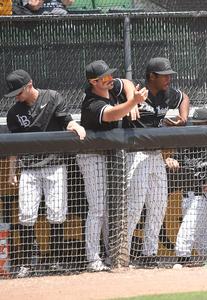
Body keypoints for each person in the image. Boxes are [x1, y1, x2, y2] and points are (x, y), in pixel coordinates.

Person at [5, 69, 85, 278]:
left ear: (29, 85)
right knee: (26, 215)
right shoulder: (14, 112)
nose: (17, 97)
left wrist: (75, 125)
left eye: (19, 92)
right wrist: (12, 171)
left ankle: (56, 262)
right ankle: (27, 264)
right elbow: (14, 145)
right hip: (29, 168)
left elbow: (66, 120)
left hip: (54, 164)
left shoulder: (52, 97)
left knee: (57, 213)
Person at [78, 60, 147, 271]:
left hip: (110, 157)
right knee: (98, 209)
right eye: (105, 77)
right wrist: (132, 103)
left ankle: (113, 257)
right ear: (93, 82)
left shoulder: (109, 84)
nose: (110, 79)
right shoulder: (91, 103)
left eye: (109, 76)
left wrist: (130, 97)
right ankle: (93, 259)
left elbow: (125, 82)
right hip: (91, 156)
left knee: (111, 209)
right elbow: (113, 114)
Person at [124, 57, 190, 267]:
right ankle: (121, 252)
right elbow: (121, 88)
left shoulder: (167, 93)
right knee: (134, 207)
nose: (169, 78)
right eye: (164, 75)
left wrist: (183, 117)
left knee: (158, 206)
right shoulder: (138, 91)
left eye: (170, 75)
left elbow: (184, 97)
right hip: (136, 154)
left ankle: (149, 253)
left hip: (157, 156)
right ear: (152, 76)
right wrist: (131, 102)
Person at [167, 108, 207, 265]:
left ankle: (181, 261)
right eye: (194, 124)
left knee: (187, 228)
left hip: (205, 195)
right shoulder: (187, 140)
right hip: (186, 194)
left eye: (200, 124)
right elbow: (175, 159)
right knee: (200, 234)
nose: (196, 127)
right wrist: (170, 160)